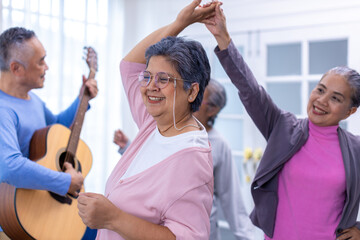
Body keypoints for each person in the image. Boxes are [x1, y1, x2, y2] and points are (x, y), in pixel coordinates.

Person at [202, 2, 360, 239]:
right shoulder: (284, 127)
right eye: (320, 89)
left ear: (350, 111)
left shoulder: (355, 149)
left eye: (336, 98)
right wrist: (223, 38)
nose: (322, 101)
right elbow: (250, 90)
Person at [76, 1, 216, 239]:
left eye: (164, 79)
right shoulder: (155, 123)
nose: (151, 87)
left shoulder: (191, 159)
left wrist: (113, 218)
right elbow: (129, 65)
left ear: (192, 92)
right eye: (148, 76)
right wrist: (180, 23)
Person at [112, 79, 255, 240]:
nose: (191, 100)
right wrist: (128, 147)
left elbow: (231, 199)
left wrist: (247, 237)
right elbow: (154, 166)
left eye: (199, 98)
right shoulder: (172, 129)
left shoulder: (219, 145)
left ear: (212, 110)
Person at [0, 27, 98, 239]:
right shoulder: (2, 110)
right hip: (12, 221)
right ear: (16, 68)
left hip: (39, 210)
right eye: (40, 61)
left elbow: (56, 128)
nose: (47, 67)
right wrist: (65, 182)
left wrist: (82, 99)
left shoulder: (31, 99)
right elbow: (10, 167)